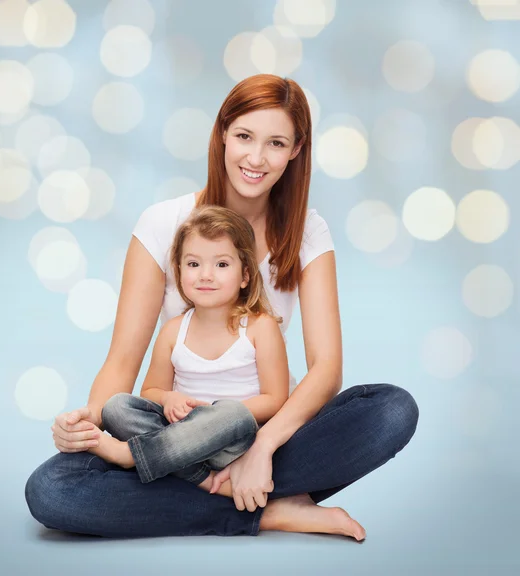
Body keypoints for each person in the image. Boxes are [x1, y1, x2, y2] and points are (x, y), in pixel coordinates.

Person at [25, 73, 418, 541]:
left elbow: (326, 369)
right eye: (245, 137)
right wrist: (89, 423)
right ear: (222, 135)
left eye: (275, 143)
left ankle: (225, 491)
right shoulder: (162, 223)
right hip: (172, 435)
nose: (256, 158)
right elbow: (124, 362)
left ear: (296, 150)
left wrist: (263, 448)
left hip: (262, 431)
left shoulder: (309, 234)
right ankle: (263, 510)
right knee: (52, 489)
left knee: (392, 409)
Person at [93, 205, 291, 496]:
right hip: (180, 438)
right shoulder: (173, 331)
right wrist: (170, 397)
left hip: (232, 442)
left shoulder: (261, 328)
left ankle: (130, 456)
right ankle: (199, 477)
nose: (205, 275)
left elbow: (275, 400)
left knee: (233, 414)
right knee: (116, 407)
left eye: (221, 265)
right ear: (179, 271)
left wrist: (210, 415)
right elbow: (150, 391)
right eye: (193, 264)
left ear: (245, 275)